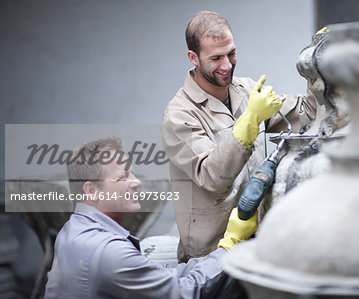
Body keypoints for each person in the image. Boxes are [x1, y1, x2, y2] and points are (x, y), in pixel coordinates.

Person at [161, 10, 317, 262]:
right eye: (216, 58)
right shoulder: (179, 115)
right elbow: (213, 177)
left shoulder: (245, 90)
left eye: (231, 53)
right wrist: (251, 120)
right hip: (211, 255)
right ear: (193, 57)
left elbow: (307, 113)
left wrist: (318, 66)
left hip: (256, 242)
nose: (226, 65)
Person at [44, 137, 257, 298]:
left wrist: (216, 256)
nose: (136, 182)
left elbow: (166, 276)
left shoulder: (74, 228)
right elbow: (184, 292)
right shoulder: (108, 251)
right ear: (91, 190)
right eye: (123, 177)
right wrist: (230, 245)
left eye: (133, 173)